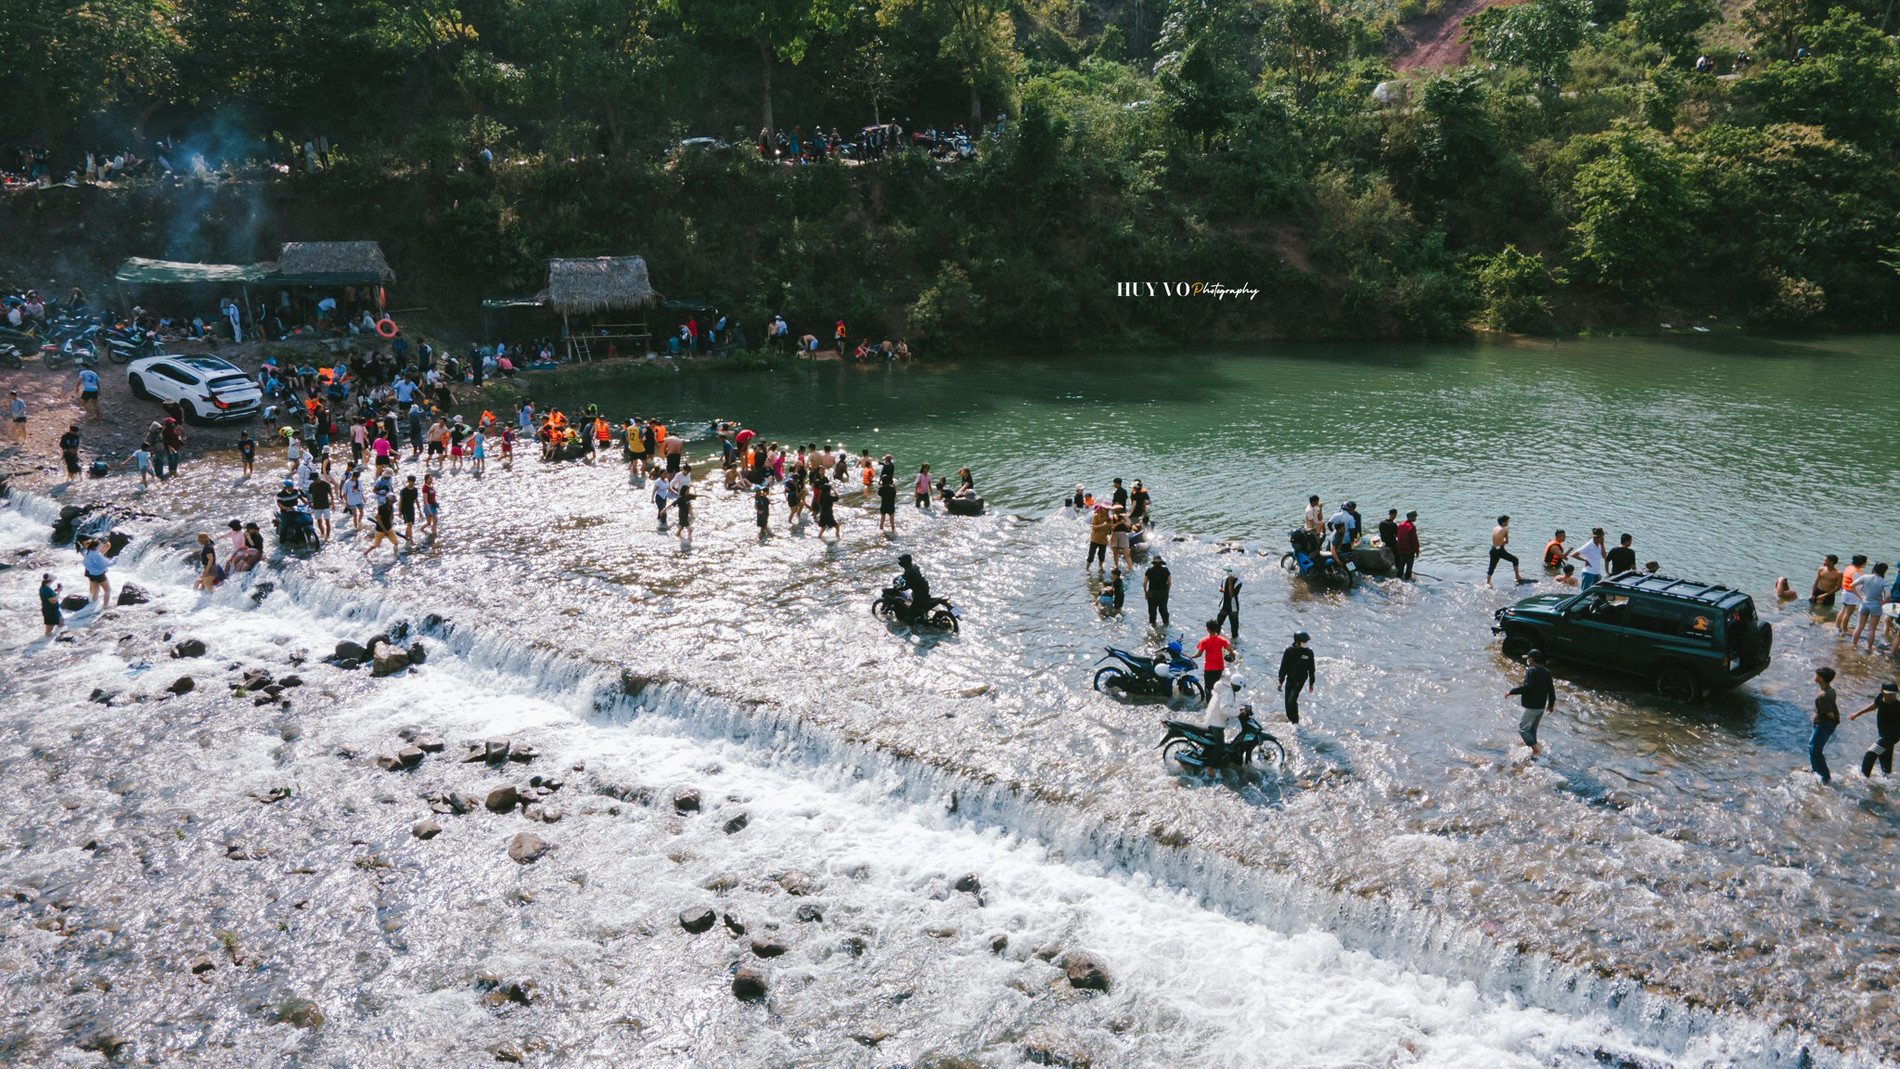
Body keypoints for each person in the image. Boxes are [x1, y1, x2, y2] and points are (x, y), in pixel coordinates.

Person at [1507, 649, 1556, 757]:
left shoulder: (1531, 671)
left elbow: (1527, 687)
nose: (1528, 660)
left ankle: (1536, 751)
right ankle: (1535, 749)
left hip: (1531, 707)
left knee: (1523, 729)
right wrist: (1551, 704)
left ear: (1531, 660)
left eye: (1528, 658)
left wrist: (1511, 692)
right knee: (1532, 730)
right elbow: (1551, 690)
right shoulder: (1546, 672)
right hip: (1541, 707)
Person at [1849, 681, 1900, 777]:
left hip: (1890, 737)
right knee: (1885, 758)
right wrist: (1857, 713)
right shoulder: (1880, 698)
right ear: (1882, 691)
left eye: (1894, 694)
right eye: (1889, 694)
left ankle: (1863, 778)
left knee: (1870, 754)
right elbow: (1874, 705)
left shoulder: (1897, 706)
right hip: (1883, 734)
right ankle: (1887, 780)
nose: (1891, 696)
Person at [1277, 632, 1315, 724]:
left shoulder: (1309, 652)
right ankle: (1290, 720)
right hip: (1290, 678)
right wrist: (1281, 681)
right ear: (1298, 642)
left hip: (1301, 679)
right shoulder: (1289, 651)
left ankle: (1295, 722)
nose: (1306, 643)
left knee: (1292, 699)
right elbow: (1283, 667)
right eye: (1304, 641)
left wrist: (1311, 683)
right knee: (1287, 702)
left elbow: (1311, 669)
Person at [1851, 563, 1890, 652]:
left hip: (1864, 604)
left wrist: (1860, 597)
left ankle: (1854, 644)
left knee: (1860, 626)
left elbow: (1851, 586)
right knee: (1872, 629)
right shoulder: (1884, 582)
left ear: (1874, 568)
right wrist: (1884, 602)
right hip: (1876, 606)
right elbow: (1888, 595)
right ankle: (1868, 647)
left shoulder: (1865, 577)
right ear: (1884, 571)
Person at [1811, 667, 1840, 783]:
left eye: (1816, 675)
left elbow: (1829, 713)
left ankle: (1824, 776)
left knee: (1815, 749)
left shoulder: (1823, 695)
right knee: (1813, 747)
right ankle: (1815, 770)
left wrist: (1833, 721)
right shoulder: (1829, 690)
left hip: (1825, 724)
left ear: (1821, 678)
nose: (1814, 676)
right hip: (1823, 722)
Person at [896, 553, 938, 622]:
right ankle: (922, 615)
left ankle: (911, 625)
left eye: (902, 561)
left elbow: (908, 585)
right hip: (924, 588)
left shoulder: (909, 572)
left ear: (905, 562)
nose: (900, 562)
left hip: (919, 593)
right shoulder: (914, 567)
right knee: (913, 597)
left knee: (911, 613)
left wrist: (901, 588)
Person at [1197, 619, 1234, 693]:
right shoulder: (1222, 640)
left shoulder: (1204, 640)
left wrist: (1191, 656)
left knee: (1208, 688)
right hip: (1219, 667)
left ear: (1207, 629)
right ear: (1216, 628)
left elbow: (1199, 654)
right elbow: (1231, 651)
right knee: (1215, 685)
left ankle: (1208, 699)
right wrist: (1232, 659)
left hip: (1208, 668)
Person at [1838, 555, 1868, 634]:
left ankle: (1838, 626)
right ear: (1862, 563)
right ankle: (1844, 630)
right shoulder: (1856, 573)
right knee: (1848, 613)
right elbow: (1857, 586)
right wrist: (1861, 596)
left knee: (1843, 610)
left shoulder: (1849, 567)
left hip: (1845, 591)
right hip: (1852, 594)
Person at [1488, 516, 1522, 584]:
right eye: (1507, 521)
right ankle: (1517, 576)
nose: (1508, 523)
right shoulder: (1505, 530)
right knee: (1515, 560)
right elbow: (1507, 541)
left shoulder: (1495, 528)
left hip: (1493, 549)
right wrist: (1503, 541)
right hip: (1500, 550)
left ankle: (1488, 581)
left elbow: (1494, 538)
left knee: (1492, 566)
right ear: (1503, 522)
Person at [81, 538, 112, 609]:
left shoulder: (87, 552)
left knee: (95, 590)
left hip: (90, 571)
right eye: (100, 545)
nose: (101, 545)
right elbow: (106, 563)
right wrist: (115, 560)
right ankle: (105, 606)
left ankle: (93, 604)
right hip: (98, 573)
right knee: (107, 590)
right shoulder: (96, 554)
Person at [1143, 556, 1172, 628]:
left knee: (1152, 612)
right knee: (1163, 611)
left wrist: (1145, 592)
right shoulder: (1166, 570)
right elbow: (1169, 582)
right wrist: (1167, 591)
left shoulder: (1149, 570)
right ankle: (1165, 626)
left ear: (1153, 563)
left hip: (1152, 593)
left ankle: (1152, 626)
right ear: (1161, 563)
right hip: (1163, 593)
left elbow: (1144, 583)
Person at [1214, 566, 1241, 639]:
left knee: (1234, 628)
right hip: (1224, 606)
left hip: (1233, 608)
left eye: (1229, 572)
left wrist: (1230, 583)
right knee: (1218, 624)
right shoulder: (1224, 579)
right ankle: (1216, 639)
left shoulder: (1238, 583)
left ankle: (1234, 642)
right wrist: (1221, 589)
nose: (1227, 573)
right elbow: (1222, 588)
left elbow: (1232, 595)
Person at [307, 468, 334, 540]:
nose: (313, 481)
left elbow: (331, 494)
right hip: (316, 506)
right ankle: (322, 534)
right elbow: (311, 495)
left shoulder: (326, 484)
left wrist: (333, 504)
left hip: (326, 505)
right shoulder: (312, 485)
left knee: (327, 521)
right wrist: (311, 504)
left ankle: (327, 536)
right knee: (319, 522)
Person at [1393, 511, 1420, 580]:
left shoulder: (1401, 524)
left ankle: (1398, 579)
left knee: (1400, 567)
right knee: (1409, 568)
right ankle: (1407, 581)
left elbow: (1398, 536)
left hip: (1400, 550)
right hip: (1409, 551)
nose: (1415, 518)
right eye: (1415, 517)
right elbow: (1414, 540)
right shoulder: (1411, 527)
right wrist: (1417, 551)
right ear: (1411, 517)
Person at [1086, 505, 1111, 569]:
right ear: (1102, 508)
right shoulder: (1096, 516)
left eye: (1108, 509)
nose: (1107, 510)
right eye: (1106, 509)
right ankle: (1087, 569)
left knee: (1102, 557)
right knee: (1091, 556)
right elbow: (1093, 527)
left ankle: (1100, 568)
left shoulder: (1109, 518)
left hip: (1103, 540)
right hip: (1094, 539)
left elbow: (1110, 530)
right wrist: (1102, 525)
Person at [399, 476, 420, 544]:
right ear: (408, 481)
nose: (412, 483)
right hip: (405, 509)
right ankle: (411, 540)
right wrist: (399, 511)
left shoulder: (415, 490)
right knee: (409, 523)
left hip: (411, 508)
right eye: (411, 482)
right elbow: (400, 501)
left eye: (413, 482)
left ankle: (406, 535)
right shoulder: (404, 491)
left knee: (410, 524)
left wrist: (419, 509)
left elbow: (416, 500)